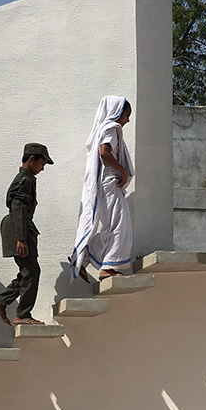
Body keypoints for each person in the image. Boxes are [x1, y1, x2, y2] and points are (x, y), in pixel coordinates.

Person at [71, 96, 133, 281]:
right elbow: (104, 153)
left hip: (106, 185)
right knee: (121, 225)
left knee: (111, 227)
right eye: (127, 115)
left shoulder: (104, 129)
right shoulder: (111, 129)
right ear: (117, 112)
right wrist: (121, 170)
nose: (127, 120)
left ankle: (85, 259)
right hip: (109, 184)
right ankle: (109, 267)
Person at [0, 143, 53, 325]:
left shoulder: (27, 179)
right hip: (20, 229)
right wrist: (21, 238)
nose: (42, 169)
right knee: (32, 271)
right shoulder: (24, 180)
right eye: (42, 163)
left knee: (28, 273)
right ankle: (23, 315)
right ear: (32, 159)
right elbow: (17, 208)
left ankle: (0, 302)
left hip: (22, 227)